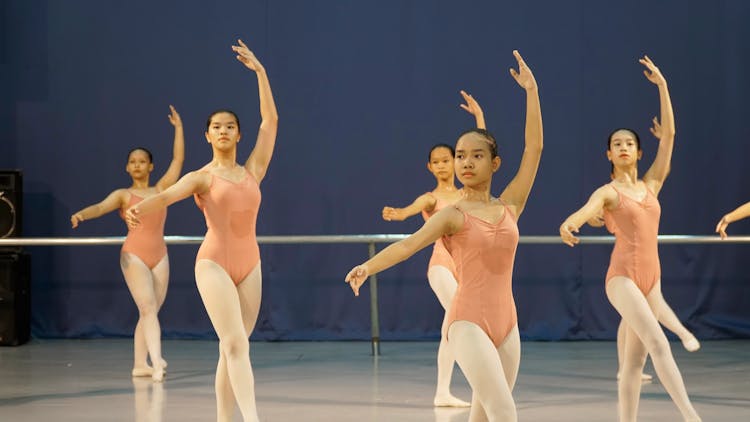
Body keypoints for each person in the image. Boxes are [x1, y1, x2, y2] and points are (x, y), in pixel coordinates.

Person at [347, 50, 542, 421]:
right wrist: (367, 267)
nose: (466, 163)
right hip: (466, 321)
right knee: (505, 412)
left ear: (495, 163)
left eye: (476, 156)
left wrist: (531, 92)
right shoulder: (451, 215)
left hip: (508, 324)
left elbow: (534, 149)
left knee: (484, 414)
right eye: (460, 156)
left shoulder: (510, 205)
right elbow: (408, 245)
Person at [125, 39, 277, 422]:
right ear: (207, 136)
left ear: (238, 135)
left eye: (230, 126)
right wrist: (139, 207)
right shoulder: (201, 177)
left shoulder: (253, 170)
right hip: (213, 264)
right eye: (216, 127)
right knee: (234, 343)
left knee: (235, 347)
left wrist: (260, 72)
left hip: (251, 264)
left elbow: (270, 122)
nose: (223, 130)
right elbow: (168, 195)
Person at [559, 56, 701, 421]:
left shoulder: (651, 183)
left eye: (629, 143)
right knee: (657, 342)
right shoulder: (608, 192)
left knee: (634, 365)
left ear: (639, 152)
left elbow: (668, 137)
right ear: (609, 154)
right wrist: (569, 223)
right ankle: (691, 416)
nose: (623, 147)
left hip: (651, 280)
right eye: (616, 144)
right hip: (621, 278)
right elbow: (587, 208)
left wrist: (663, 86)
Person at [380, 91, 485, 407]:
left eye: (447, 160)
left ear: (456, 162)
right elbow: (410, 210)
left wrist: (479, 119)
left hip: (465, 267)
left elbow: (481, 148)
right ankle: (474, 380)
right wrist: (398, 213)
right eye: (436, 162)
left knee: (450, 327)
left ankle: (443, 391)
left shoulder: (467, 194)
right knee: (458, 318)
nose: (442, 166)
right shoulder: (431, 198)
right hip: (441, 265)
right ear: (430, 167)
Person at [71, 105, 184, 382]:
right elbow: (100, 207)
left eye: (142, 161)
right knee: (147, 309)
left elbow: (178, 161)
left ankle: (139, 364)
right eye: (132, 161)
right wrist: (81, 215)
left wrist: (179, 129)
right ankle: (157, 362)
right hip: (134, 255)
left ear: (151, 166)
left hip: (160, 256)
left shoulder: (160, 190)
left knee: (150, 311)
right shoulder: (123, 195)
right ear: (127, 167)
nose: (137, 165)